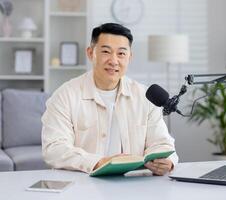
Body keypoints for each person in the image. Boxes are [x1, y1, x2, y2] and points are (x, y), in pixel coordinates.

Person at [42, 23, 178, 176]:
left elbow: (162, 143)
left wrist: (166, 161)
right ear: (90, 53)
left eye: (121, 53)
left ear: (129, 57)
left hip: (134, 184)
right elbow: (54, 149)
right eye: (106, 52)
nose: (114, 61)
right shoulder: (65, 95)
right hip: (83, 183)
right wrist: (99, 162)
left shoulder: (145, 96)